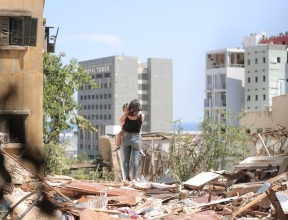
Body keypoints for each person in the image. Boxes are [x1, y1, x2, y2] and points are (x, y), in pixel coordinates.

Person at [121, 99, 145, 182]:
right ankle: (134, 178)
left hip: (126, 137)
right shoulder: (142, 116)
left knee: (126, 159)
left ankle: (127, 178)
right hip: (136, 137)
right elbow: (140, 121)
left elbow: (122, 123)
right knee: (135, 159)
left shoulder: (127, 116)